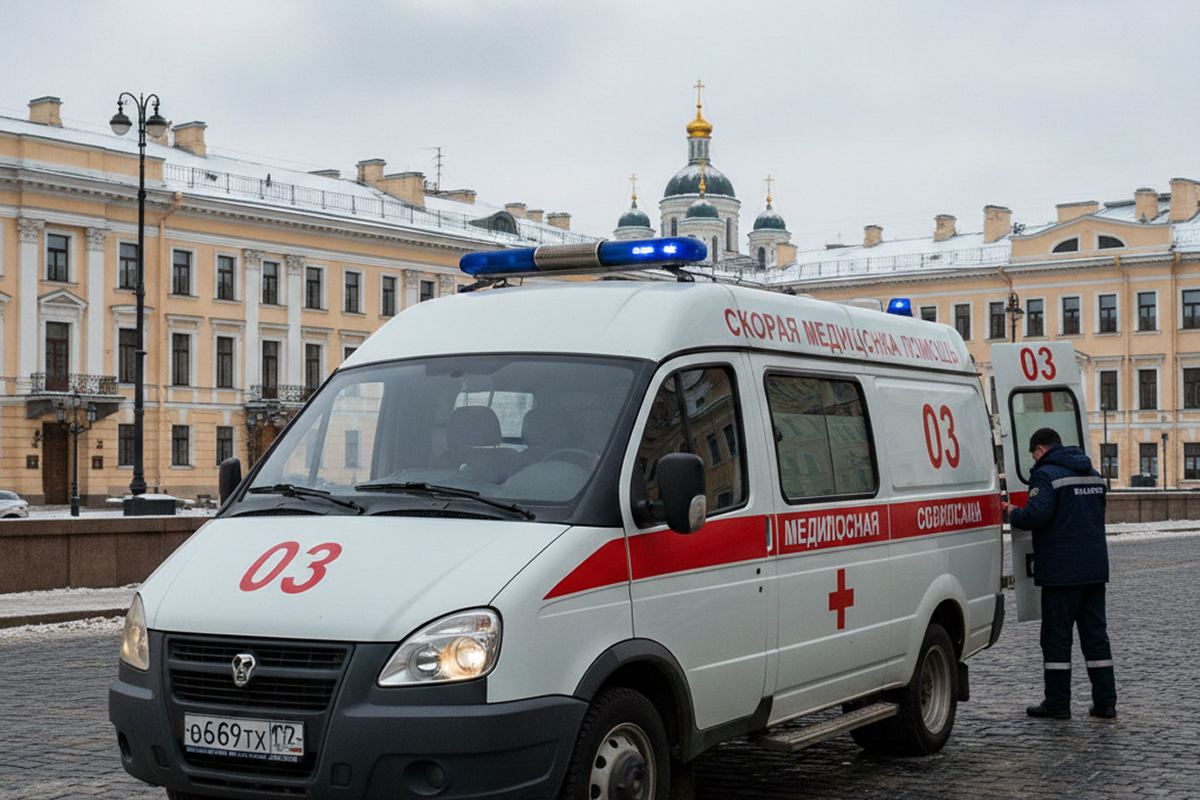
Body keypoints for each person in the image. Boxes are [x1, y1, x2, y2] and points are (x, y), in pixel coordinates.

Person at [1001, 427, 1117, 720]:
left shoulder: (1046, 474)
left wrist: (1011, 511)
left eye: (1033, 455)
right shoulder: (1090, 472)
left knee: (1056, 638)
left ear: (1040, 449)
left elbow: (1036, 516)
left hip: (1061, 573)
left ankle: (1057, 703)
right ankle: (1105, 703)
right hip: (1093, 569)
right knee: (1095, 637)